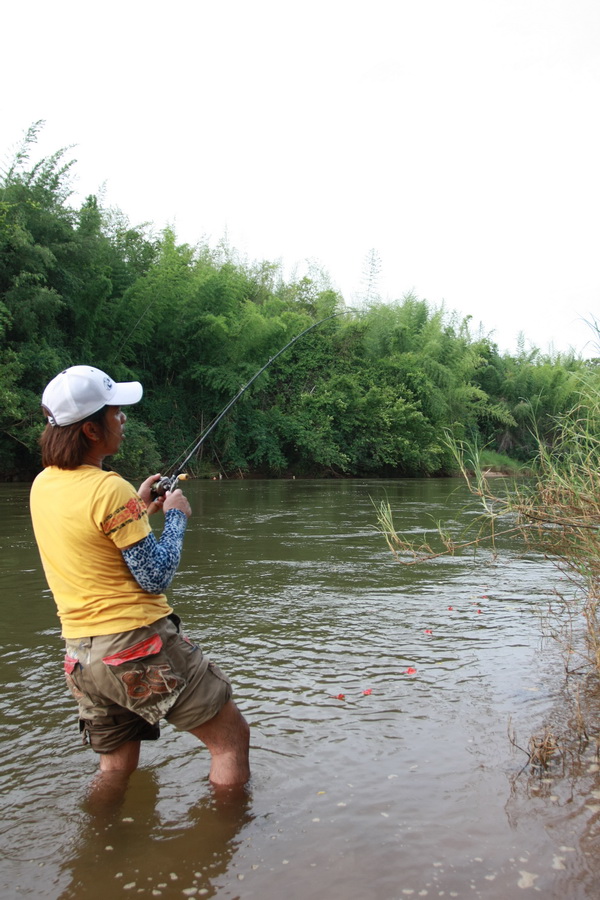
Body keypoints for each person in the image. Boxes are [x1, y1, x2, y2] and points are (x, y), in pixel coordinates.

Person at [30, 365, 250, 792]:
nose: (123, 419)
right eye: (115, 412)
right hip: (135, 650)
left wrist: (135, 504)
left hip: (82, 659)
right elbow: (155, 575)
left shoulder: (43, 485)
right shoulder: (109, 489)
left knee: (115, 768)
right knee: (230, 740)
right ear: (92, 431)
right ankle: (232, 842)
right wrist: (176, 518)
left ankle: (97, 850)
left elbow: (92, 536)